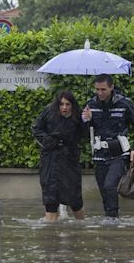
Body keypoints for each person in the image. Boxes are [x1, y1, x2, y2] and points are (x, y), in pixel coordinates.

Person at [82, 74, 134, 218]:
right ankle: (110, 219)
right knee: (104, 191)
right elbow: (84, 133)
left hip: (119, 153)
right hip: (99, 154)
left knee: (110, 185)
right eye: (97, 89)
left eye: (103, 89)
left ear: (111, 87)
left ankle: (113, 220)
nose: (100, 93)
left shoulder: (124, 104)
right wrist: (86, 120)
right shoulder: (90, 105)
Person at [33, 91, 87, 222]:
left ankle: (81, 225)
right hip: (51, 158)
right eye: (62, 104)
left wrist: (87, 120)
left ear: (72, 105)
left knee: (75, 198)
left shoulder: (79, 116)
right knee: (50, 197)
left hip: (69, 159)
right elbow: (37, 129)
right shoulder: (48, 112)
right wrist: (50, 141)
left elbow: (84, 135)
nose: (64, 107)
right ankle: (51, 233)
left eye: (67, 104)